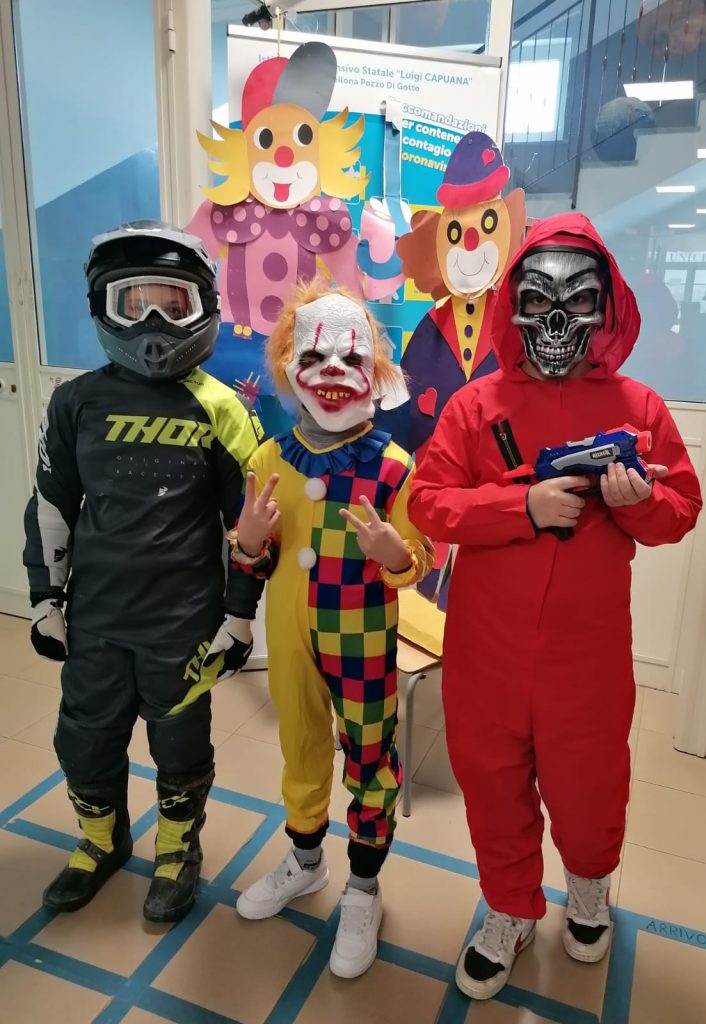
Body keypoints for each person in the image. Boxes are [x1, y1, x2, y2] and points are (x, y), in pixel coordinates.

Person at [408, 212, 702, 999]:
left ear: (608, 304)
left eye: (579, 298)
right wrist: (521, 507)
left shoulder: (641, 408)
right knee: (491, 782)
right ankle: (509, 909)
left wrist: (638, 503)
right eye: (538, 298)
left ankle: (590, 889)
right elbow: (428, 502)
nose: (558, 317)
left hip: (588, 656)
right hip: (487, 650)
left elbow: (681, 510)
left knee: (590, 783)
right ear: (514, 305)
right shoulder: (475, 405)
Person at [23, 221, 266, 923]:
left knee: (180, 746)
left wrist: (239, 614)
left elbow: (255, 522)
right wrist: (44, 599)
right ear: (105, 307)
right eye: (135, 304)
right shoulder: (75, 403)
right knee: (82, 739)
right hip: (97, 618)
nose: (154, 322)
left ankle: (176, 850)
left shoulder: (223, 408)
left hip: (183, 624)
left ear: (203, 306)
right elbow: (50, 504)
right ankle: (101, 841)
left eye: (171, 303)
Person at [230, 281, 434, 979]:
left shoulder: (394, 466)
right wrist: (247, 541)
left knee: (370, 757)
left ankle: (364, 889)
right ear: (289, 367)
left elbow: (417, 560)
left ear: (375, 371)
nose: (333, 373)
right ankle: (307, 860)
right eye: (315, 357)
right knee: (300, 746)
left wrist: (396, 556)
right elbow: (254, 554)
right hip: (290, 643)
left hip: (361, 641)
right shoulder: (270, 460)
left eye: (351, 358)